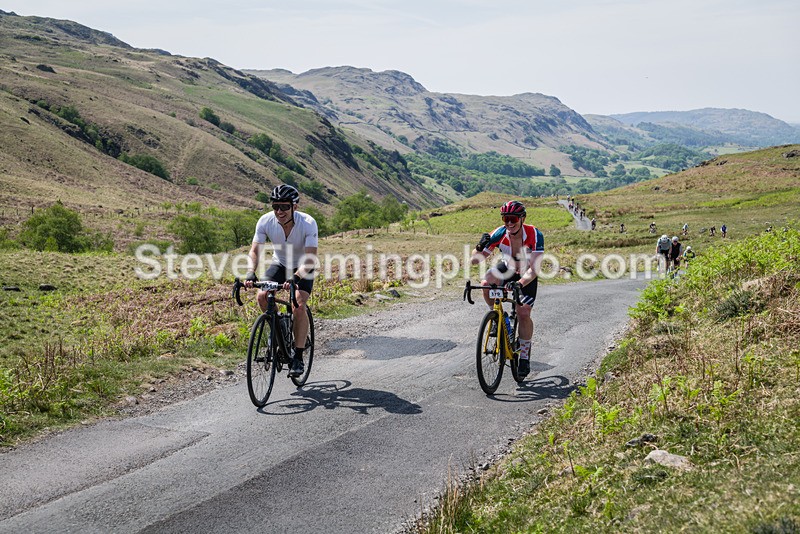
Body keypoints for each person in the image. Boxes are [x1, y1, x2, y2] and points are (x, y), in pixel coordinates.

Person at [245, 184, 318, 377]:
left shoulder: (308, 223)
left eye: (284, 207)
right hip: (280, 263)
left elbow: (311, 258)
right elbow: (255, 250)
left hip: (303, 266)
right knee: (262, 296)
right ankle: (280, 328)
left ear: (295, 206)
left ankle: (298, 356)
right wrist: (250, 272)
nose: (279, 211)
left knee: (298, 305)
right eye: (275, 206)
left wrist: (295, 277)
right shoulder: (265, 221)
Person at [471, 201, 544, 379]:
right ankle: (498, 317)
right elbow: (474, 261)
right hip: (507, 267)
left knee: (523, 312)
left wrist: (520, 283)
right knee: (486, 283)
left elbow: (534, 269)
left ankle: (524, 356)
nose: (509, 223)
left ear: (522, 218)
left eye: (513, 219)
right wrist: (479, 247)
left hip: (527, 272)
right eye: (505, 219)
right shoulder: (499, 233)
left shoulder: (534, 234)